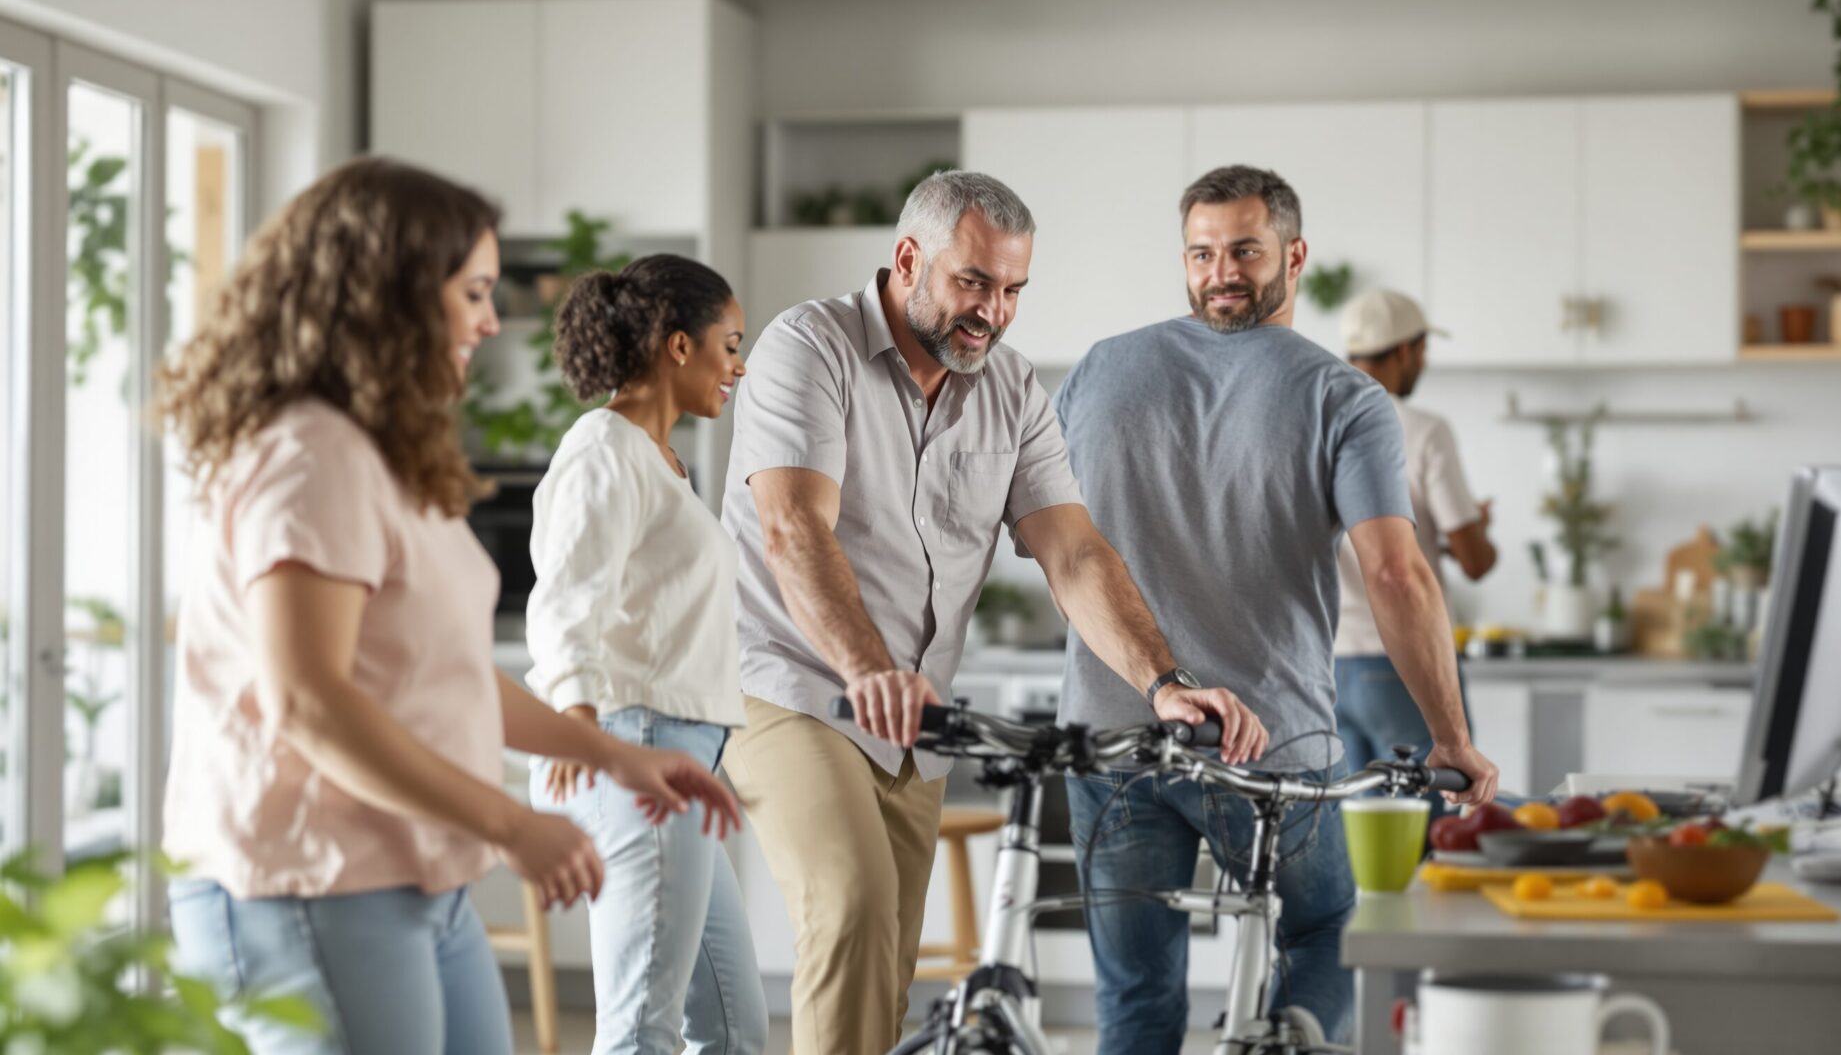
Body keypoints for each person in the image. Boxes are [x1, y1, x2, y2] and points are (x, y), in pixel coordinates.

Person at [155, 158, 740, 1055]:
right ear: (386, 297)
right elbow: (308, 701)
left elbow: (452, 673)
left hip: (418, 869)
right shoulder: (309, 455)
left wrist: (612, 756)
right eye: (472, 292)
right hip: (311, 879)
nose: (491, 320)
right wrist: (509, 823)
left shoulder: (386, 456)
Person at [718, 170, 1269, 1055]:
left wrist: (1166, 683)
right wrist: (868, 671)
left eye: (1012, 290)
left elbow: (1074, 552)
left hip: (915, 718)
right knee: (853, 906)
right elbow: (792, 527)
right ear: (908, 259)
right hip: (794, 686)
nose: (995, 311)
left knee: (889, 968)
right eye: (973, 283)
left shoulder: (1011, 390)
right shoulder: (809, 348)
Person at [1052, 164, 1499, 1051]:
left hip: (1113, 733)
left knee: (1135, 998)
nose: (1222, 271)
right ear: (1183, 260)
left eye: (1243, 251)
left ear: (1294, 257)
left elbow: (1046, 531)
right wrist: (1451, 737)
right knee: (1326, 931)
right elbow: (1398, 575)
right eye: (1204, 253)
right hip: (1271, 749)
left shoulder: (1100, 369)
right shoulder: (1345, 397)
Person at [524, 254, 766, 1055]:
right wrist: (578, 716)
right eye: (729, 344)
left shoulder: (661, 461)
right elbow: (567, 594)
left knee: (732, 1027)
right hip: (636, 744)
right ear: (677, 346)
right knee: (642, 1029)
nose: (740, 364)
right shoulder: (605, 447)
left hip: (679, 759)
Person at [1335, 289, 1498, 817]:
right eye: (1423, 349)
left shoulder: (1316, 422)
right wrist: (1469, 531)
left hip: (1327, 664)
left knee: (1354, 833)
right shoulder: (1425, 431)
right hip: (1403, 661)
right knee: (1432, 822)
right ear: (1406, 351)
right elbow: (1477, 562)